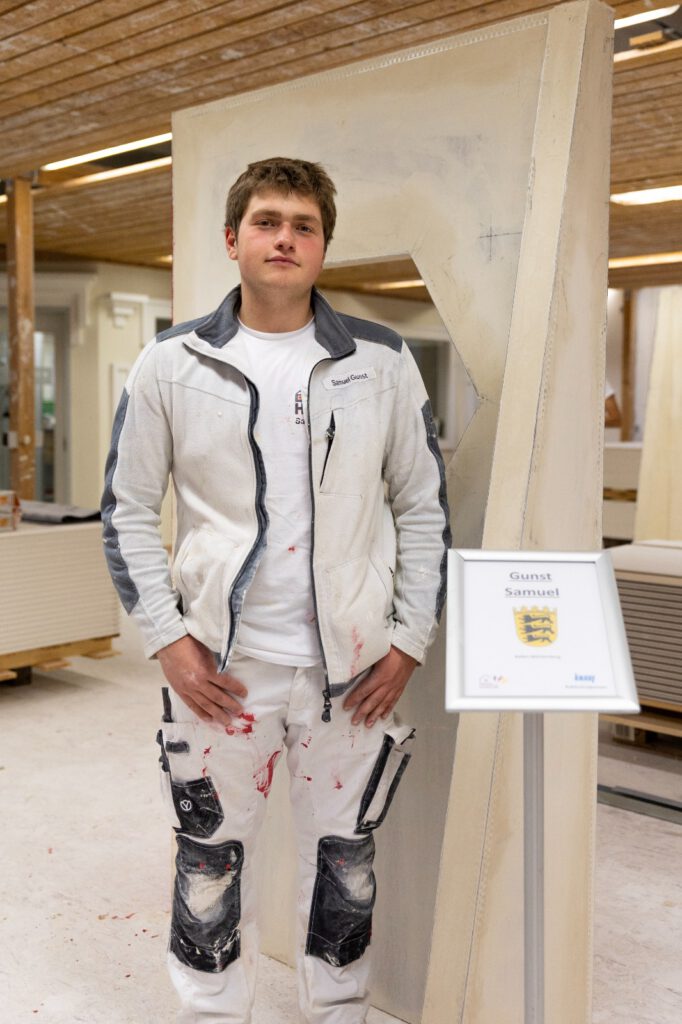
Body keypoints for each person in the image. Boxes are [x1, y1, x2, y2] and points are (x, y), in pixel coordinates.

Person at [101, 157, 450, 1024]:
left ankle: (338, 1012)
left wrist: (409, 641)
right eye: (266, 221)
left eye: (303, 226)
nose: (285, 238)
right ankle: (214, 1014)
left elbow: (423, 507)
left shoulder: (382, 361)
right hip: (222, 671)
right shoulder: (172, 363)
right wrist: (168, 640)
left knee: (345, 863)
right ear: (233, 239)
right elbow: (126, 510)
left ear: (323, 246)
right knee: (209, 862)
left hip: (352, 671)